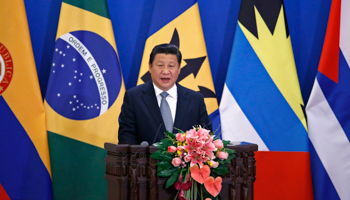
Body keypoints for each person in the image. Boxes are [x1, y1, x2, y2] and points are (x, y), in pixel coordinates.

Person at [118, 43, 212, 144]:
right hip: (145, 159)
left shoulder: (195, 100)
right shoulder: (134, 97)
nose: (165, 71)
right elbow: (126, 137)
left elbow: (206, 137)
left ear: (179, 68)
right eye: (160, 65)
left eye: (171, 66)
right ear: (150, 67)